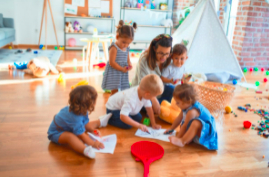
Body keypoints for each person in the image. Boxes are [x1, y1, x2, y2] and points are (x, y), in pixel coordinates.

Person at [47, 85, 113, 159]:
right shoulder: (75, 118)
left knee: (85, 126)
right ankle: (85, 150)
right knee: (70, 137)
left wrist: (92, 130)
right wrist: (93, 143)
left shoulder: (82, 110)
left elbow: (86, 124)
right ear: (88, 103)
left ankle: (100, 122)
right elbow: (81, 135)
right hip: (56, 133)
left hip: (69, 127)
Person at [165, 84, 218, 150]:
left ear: (187, 102)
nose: (176, 104)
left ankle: (182, 141)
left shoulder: (192, 111)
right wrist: (171, 129)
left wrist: (178, 139)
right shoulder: (185, 107)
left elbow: (185, 125)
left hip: (206, 134)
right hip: (198, 131)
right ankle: (189, 138)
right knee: (184, 125)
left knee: (195, 123)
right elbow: (178, 119)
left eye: (178, 102)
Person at [131, 34, 173, 114]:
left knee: (174, 91)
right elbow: (143, 86)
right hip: (144, 94)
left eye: (167, 53)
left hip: (158, 92)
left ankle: (157, 107)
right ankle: (155, 108)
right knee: (143, 104)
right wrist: (154, 100)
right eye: (160, 53)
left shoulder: (168, 59)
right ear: (154, 48)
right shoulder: (144, 60)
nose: (164, 57)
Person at [102, 20, 137, 95]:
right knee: (114, 90)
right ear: (117, 37)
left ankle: (119, 102)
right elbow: (112, 62)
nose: (126, 45)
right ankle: (112, 105)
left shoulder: (127, 48)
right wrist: (122, 69)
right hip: (114, 71)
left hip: (123, 71)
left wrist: (129, 64)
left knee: (124, 88)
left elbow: (127, 59)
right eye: (124, 42)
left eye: (128, 43)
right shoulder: (114, 48)